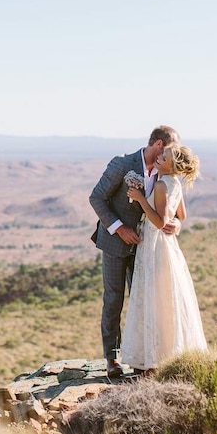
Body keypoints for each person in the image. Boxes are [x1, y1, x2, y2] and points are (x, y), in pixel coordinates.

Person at [89, 126, 182, 378]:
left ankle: (143, 358)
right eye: (171, 149)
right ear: (160, 145)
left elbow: (170, 210)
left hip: (147, 249)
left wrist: (175, 223)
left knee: (145, 301)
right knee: (113, 300)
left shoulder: (166, 174)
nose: (175, 154)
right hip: (115, 244)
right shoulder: (123, 164)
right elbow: (96, 198)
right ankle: (112, 358)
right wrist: (119, 229)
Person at [121, 144, 207, 373]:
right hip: (166, 246)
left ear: (173, 165)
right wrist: (177, 224)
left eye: (164, 156)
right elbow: (182, 215)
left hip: (155, 246)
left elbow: (159, 222)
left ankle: (155, 360)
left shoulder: (161, 185)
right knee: (165, 299)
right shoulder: (174, 183)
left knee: (154, 298)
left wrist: (140, 198)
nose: (159, 157)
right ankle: (165, 354)